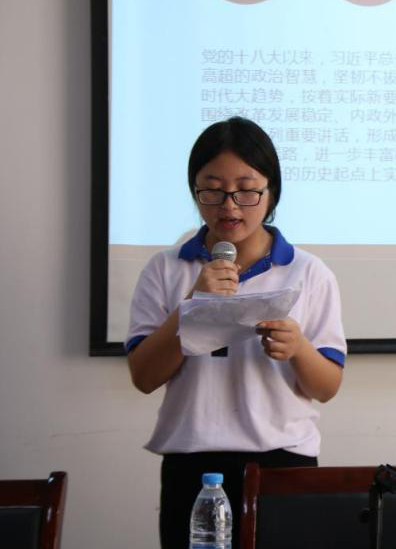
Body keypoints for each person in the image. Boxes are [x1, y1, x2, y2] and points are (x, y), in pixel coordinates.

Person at [125, 117, 346, 548]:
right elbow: (144, 377)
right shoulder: (165, 269)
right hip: (192, 466)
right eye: (212, 190)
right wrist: (192, 305)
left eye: (247, 190)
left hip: (284, 463)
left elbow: (326, 387)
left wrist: (298, 348)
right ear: (194, 191)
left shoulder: (309, 272)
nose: (229, 207)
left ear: (271, 191)